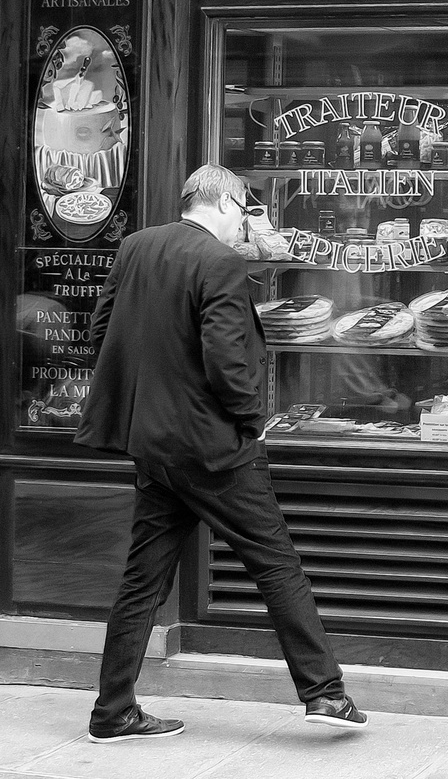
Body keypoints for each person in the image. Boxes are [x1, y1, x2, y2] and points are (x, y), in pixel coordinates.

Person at [73, 165, 367, 742]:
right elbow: (228, 363)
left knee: (142, 578)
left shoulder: (134, 246)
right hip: (214, 448)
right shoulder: (221, 262)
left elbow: (103, 330)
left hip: (153, 445)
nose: (246, 227)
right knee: (276, 563)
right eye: (246, 214)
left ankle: (113, 711)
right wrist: (252, 423)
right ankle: (325, 693)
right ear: (228, 203)